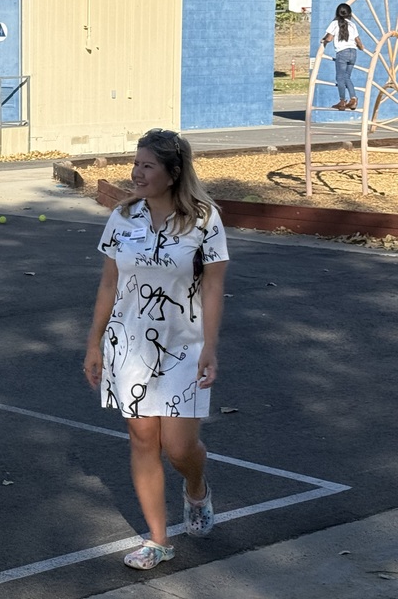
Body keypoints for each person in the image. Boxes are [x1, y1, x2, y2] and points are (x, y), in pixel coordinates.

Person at [83, 128, 229, 569]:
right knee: (143, 438)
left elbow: (215, 285)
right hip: (128, 343)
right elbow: (110, 282)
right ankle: (158, 540)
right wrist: (93, 343)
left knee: (180, 448)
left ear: (173, 172)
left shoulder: (205, 218)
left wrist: (210, 347)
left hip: (184, 345)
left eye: (147, 165)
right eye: (136, 163)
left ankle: (196, 486)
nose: (136, 173)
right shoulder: (122, 217)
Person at [321, 3, 368, 110]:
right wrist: (361, 47)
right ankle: (353, 98)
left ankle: (342, 101)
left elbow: (329, 38)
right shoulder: (352, 24)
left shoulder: (335, 23)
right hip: (353, 52)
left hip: (342, 53)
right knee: (347, 77)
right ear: (349, 13)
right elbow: (358, 40)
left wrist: (323, 40)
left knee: (340, 78)